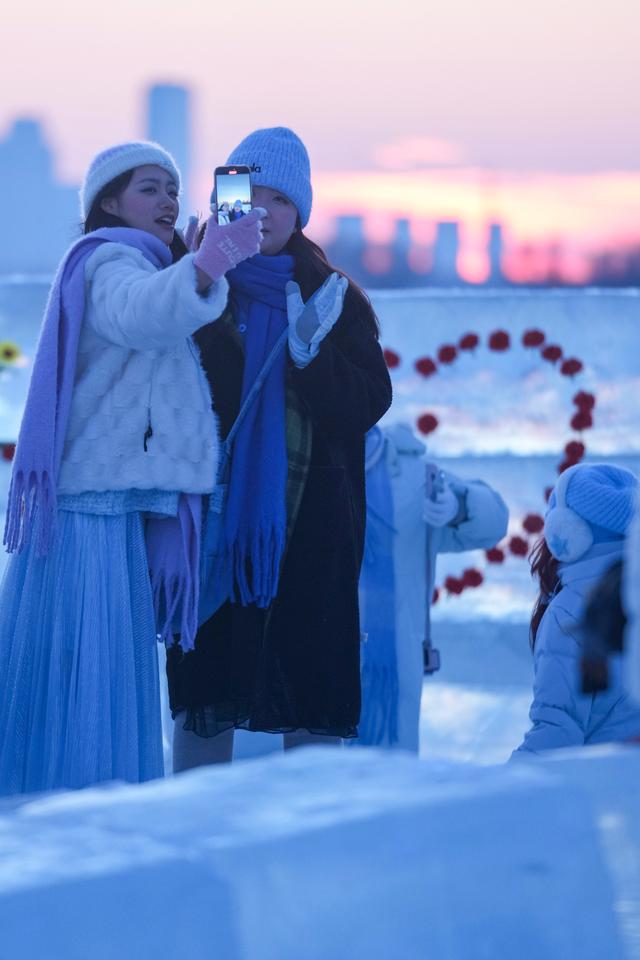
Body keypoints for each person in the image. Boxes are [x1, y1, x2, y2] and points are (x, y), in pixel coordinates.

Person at [0, 140, 263, 795]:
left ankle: (65, 796)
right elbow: (142, 314)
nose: (168, 200)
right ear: (109, 202)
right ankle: (82, 803)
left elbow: (159, 311)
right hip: (91, 512)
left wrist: (195, 267)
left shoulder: (144, 265)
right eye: (149, 188)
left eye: (173, 189)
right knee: (93, 671)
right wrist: (205, 264)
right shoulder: (110, 261)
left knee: (88, 673)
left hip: (106, 505)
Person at [166, 126, 392, 769]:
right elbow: (167, 381)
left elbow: (367, 402)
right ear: (225, 201)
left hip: (310, 530)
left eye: (281, 200)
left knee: (310, 697)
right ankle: (190, 822)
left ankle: (311, 826)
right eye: (249, 194)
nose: (263, 211)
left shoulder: (331, 295)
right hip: (213, 526)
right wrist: (194, 280)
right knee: (204, 694)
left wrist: (309, 354)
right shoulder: (193, 282)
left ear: (301, 214)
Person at [355, 422, 508, 752]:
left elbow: (495, 520)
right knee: (314, 770)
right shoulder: (303, 461)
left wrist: (459, 507)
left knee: (388, 766)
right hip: (316, 655)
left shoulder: (414, 476)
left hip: (393, 663)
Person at [512, 463, 640, 758]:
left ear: (566, 532)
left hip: (603, 780)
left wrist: (496, 782)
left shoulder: (572, 612)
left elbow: (557, 733)